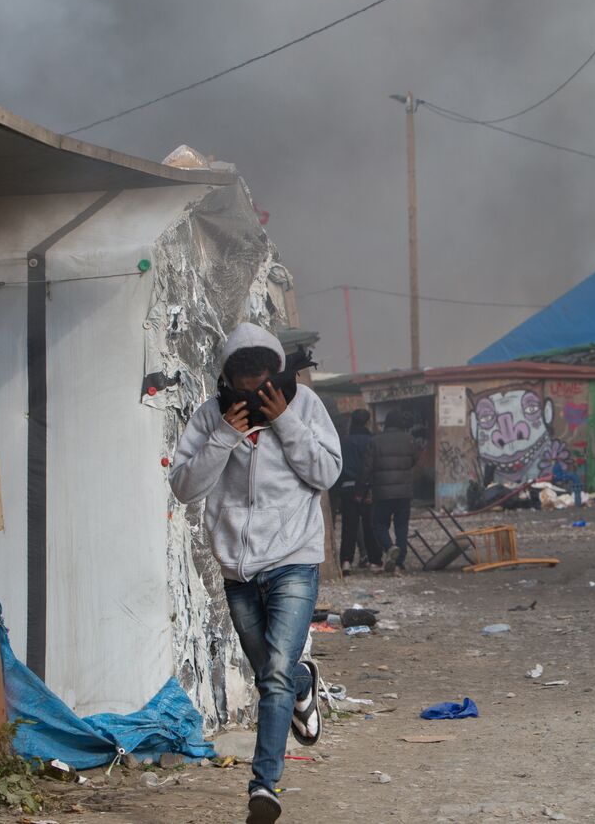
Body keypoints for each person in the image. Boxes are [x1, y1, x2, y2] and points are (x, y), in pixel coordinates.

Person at [168, 323, 341, 824]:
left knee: (274, 676)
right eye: (241, 376)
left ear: (274, 371)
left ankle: (264, 787)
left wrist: (285, 421)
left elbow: (326, 473)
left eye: (261, 374)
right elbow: (183, 486)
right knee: (275, 675)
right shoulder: (211, 416)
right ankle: (304, 686)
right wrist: (224, 434)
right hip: (238, 570)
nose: (252, 385)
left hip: (293, 560)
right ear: (227, 377)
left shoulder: (305, 405)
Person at [362, 409, 418, 572]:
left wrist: (362, 489)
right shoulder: (410, 440)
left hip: (382, 492)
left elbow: (367, 467)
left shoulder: (375, 441)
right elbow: (414, 459)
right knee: (402, 526)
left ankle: (389, 547)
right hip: (404, 491)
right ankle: (400, 561)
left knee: (379, 524)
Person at [335, 409, 380, 575]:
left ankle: (346, 561)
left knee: (349, 526)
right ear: (367, 422)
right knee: (370, 526)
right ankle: (375, 560)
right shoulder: (372, 441)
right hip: (368, 488)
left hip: (347, 487)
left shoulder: (343, 442)